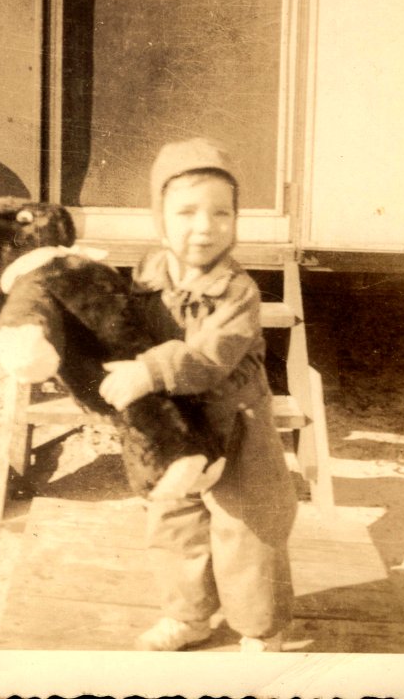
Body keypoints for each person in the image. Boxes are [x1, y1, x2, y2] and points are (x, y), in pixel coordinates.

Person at [100, 137, 297, 652]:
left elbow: (213, 356)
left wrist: (148, 370)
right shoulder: (145, 280)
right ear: (158, 215)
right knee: (173, 517)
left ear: (236, 219)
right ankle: (189, 616)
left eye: (221, 213)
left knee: (248, 523)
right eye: (186, 211)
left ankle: (261, 627)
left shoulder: (238, 290)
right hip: (178, 421)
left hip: (237, 419)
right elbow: (120, 332)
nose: (205, 227)